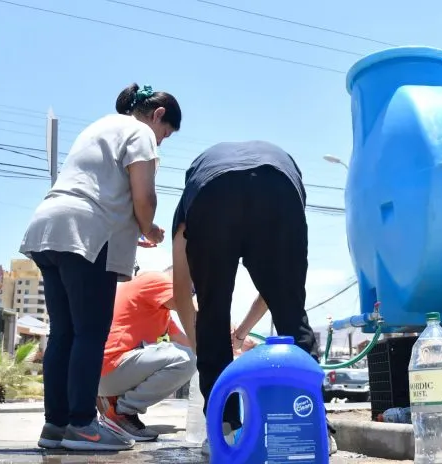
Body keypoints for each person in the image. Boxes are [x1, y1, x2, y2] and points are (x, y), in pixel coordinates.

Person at [20, 84, 181, 451]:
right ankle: (83, 425)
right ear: (157, 116)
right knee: (91, 333)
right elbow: (144, 194)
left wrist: (132, 223)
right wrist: (149, 227)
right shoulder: (140, 132)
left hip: (48, 226)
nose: (162, 140)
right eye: (166, 132)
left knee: (64, 333)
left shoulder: (98, 127)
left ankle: (56, 426)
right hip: (86, 232)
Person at [167, 141, 330, 456]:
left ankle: (224, 433)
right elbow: (277, 291)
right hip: (280, 184)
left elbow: (182, 290)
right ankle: (313, 425)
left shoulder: (191, 195)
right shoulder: (282, 171)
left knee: (212, 315)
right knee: (291, 312)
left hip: (211, 193)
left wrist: (203, 344)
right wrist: (240, 332)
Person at [96, 267, 196, 442]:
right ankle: (121, 413)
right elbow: (188, 307)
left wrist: (230, 350)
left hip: (104, 376)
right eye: (194, 288)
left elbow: (185, 340)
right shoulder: (155, 278)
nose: (193, 293)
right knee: (186, 359)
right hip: (109, 369)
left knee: (185, 353)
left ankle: (114, 404)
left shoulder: (161, 312)